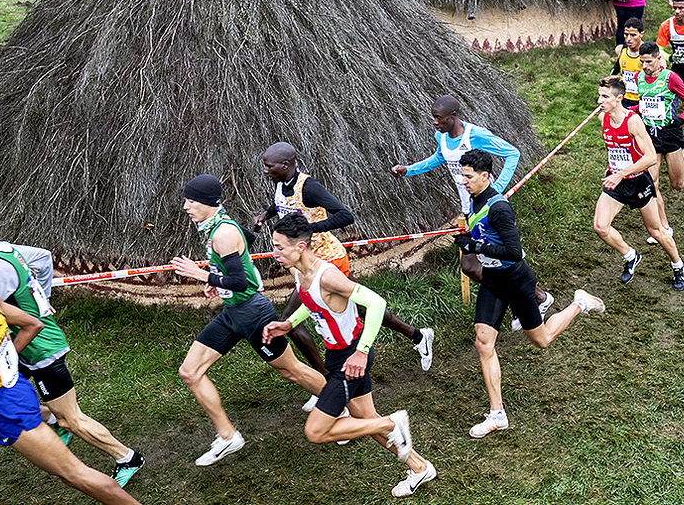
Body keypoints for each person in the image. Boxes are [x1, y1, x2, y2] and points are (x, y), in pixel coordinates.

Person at [0, 199, 143, 487]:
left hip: (40, 348)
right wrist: (41, 301)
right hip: (23, 344)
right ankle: (40, 424)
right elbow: (44, 258)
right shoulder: (7, 249)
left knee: (71, 418)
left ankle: (127, 457)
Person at [263, 215, 436, 498]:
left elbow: (376, 303)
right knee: (364, 417)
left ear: (301, 247)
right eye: (274, 246)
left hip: (351, 356)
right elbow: (313, 304)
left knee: (316, 431)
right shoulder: (299, 272)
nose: (275, 254)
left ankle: (391, 423)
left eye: (280, 248)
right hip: (335, 355)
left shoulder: (327, 276)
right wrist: (288, 324)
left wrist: (361, 352)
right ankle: (419, 467)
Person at [170, 175, 325, 466]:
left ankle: (339, 409)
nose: (186, 206)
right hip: (232, 313)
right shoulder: (217, 226)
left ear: (207, 202)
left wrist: (202, 274)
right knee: (190, 372)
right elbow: (244, 256)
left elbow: (241, 282)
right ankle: (228, 437)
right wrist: (218, 280)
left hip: (254, 314)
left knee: (291, 371)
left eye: (191, 201)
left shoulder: (223, 233)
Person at [454, 148, 607, 436]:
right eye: (463, 176)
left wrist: (475, 247)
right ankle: (497, 414)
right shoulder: (473, 201)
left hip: (515, 279)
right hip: (493, 280)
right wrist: (468, 240)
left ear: (485, 176)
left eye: (468, 176)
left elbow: (512, 251)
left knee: (542, 340)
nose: (464, 181)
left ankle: (580, 303)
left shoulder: (499, 207)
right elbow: (483, 237)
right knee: (483, 342)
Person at [254, 143, 433, 378]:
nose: (265, 170)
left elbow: (345, 215)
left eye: (269, 166)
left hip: (328, 260)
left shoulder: (309, 187)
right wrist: (267, 215)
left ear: (285, 165)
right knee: (360, 306)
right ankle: (418, 335)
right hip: (304, 262)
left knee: (290, 321)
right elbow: (284, 204)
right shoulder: (281, 183)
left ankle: (326, 379)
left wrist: (310, 229)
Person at [390, 95, 554, 325]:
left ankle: (530, 301)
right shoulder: (442, 137)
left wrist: (495, 191)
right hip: (470, 209)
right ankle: (534, 298)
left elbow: (512, 154)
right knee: (476, 266)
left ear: (453, 116)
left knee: (496, 263)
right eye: (433, 118)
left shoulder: (474, 135)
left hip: (489, 209)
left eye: (438, 118)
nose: (434, 123)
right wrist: (408, 170)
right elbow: (439, 158)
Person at [595, 76, 684, 289]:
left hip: (637, 181)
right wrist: (616, 174)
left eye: (605, 97)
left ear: (619, 99)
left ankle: (677, 265)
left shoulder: (633, 121)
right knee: (600, 226)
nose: (599, 101)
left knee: (656, 232)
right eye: (599, 96)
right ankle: (630, 255)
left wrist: (621, 173)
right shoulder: (603, 119)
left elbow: (650, 157)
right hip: (615, 182)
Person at [635, 42, 684, 239]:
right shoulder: (639, 78)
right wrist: (630, 111)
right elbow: (644, 104)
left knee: (677, 184)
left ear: (658, 59)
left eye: (648, 62)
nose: (644, 66)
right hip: (649, 134)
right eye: (641, 62)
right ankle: (663, 226)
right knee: (651, 182)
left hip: (670, 133)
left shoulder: (671, 78)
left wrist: (681, 120)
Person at [611, 17, 644, 109]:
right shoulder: (621, 50)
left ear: (641, 34)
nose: (629, 39)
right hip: (624, 98)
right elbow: (615, 71)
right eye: (626, 34)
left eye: (633, 35)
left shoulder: (648, 54)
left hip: (641, 100)